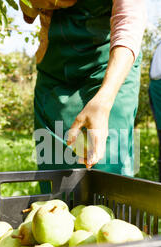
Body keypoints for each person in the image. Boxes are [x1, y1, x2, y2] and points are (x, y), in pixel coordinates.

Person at [20, 0, 147, 192]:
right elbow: (28, 14)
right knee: (55, 169)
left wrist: (104, 101)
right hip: (55, 73)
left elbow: (129, 21)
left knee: (109, 168)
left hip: (109, 67)